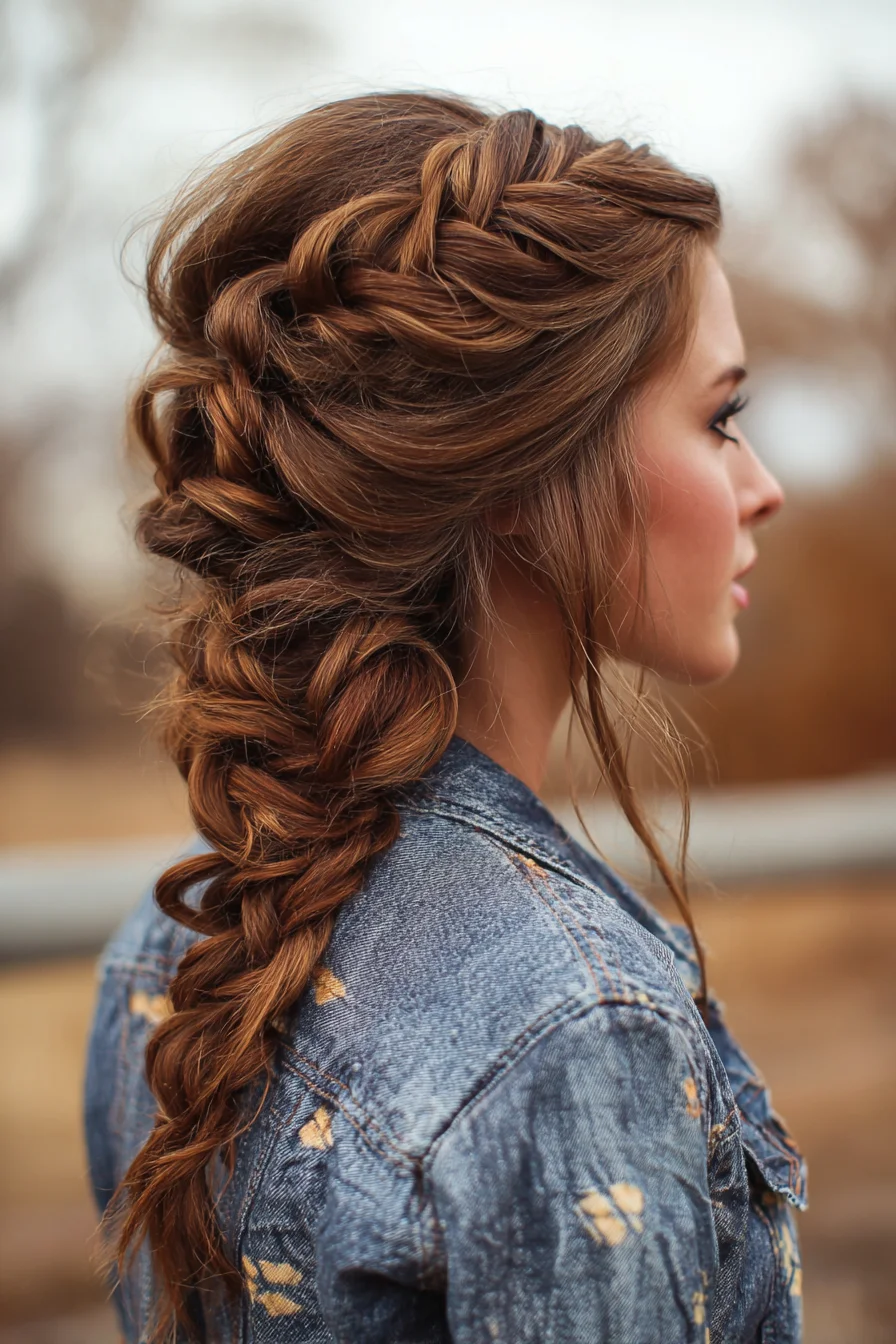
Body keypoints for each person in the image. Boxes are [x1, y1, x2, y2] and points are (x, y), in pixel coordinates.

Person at [83, 90, 806, 1344]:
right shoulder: (577, 1034)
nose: (764, 489)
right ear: (528, 475)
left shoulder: (175, 953)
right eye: (719, 418)